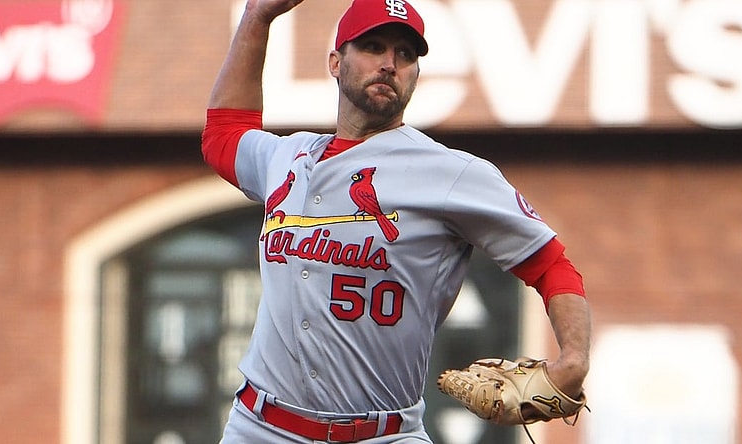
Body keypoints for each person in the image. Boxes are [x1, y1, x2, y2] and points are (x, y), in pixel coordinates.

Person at [202, 0, 591, 442]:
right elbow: (223, 134)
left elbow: (550, 263)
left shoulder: (450, 173)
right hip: (260, 428)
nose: (389, 64)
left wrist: (573, 360)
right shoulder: (286, 158)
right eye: (373, 47)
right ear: (335, 61)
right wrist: (257, 16)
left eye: (405, 55)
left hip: (382, 433)